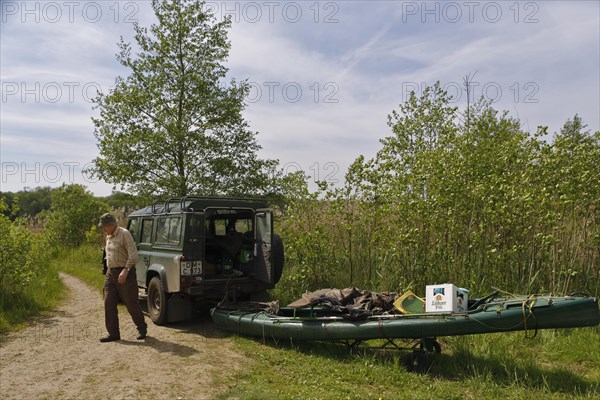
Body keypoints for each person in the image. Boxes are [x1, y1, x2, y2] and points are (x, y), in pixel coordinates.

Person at [98, 213, 147, 342]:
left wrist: (125, 271)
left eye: (104, 227)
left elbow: (134, 256)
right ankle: (113, 334)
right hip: (111, 274)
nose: (102, 229)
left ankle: (142, 328)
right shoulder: (108, 237)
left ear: (112, 225)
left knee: (131, 303)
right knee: (108, 303)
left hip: (126, 272)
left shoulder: (124, 234)